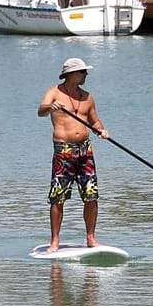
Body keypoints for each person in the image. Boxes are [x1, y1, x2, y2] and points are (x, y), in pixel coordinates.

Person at [38, 56, 109, 251]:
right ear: (70, 74)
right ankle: (55, 241)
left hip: (85, 150)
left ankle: (91, 238)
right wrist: (50, 107)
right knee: (57, 196)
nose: (86, 74)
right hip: (64, 150)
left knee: (91, 195)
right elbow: (40, 111)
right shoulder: (54, 92)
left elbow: (95, 121)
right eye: (83, 72)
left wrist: (102, 130)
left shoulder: (87, 97)